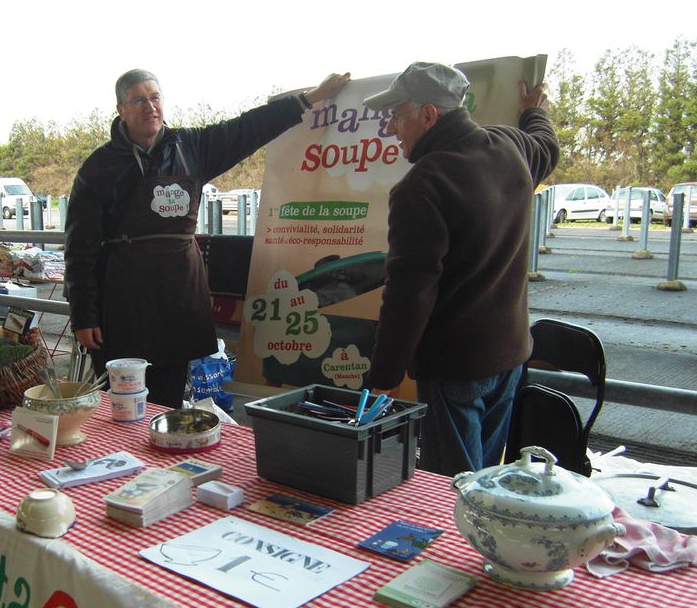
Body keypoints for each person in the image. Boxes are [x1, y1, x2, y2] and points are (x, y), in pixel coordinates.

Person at [65, 68, 350, 408]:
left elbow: (248, 128)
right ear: (121, 110)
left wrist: (309, 99)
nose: (150, 106)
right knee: (124, 401)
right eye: (138, 100)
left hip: (178, 291)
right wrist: (84, 315)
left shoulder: (193, 146)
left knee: (169, 396)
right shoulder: (98, 167)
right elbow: (79, 248)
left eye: (155, 97)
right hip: (124, 298)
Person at [363, 62, 559, 477]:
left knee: (452, 488)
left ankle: (458, 544)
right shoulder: (511, 147)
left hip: (456, 367)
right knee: (485, 480)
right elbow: (546, 145)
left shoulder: (422, 186)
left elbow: (408, 296)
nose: (391, 127)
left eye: (397, 115)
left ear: (429, 114)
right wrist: (534, 111)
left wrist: (382, 378)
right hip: (509, 357)